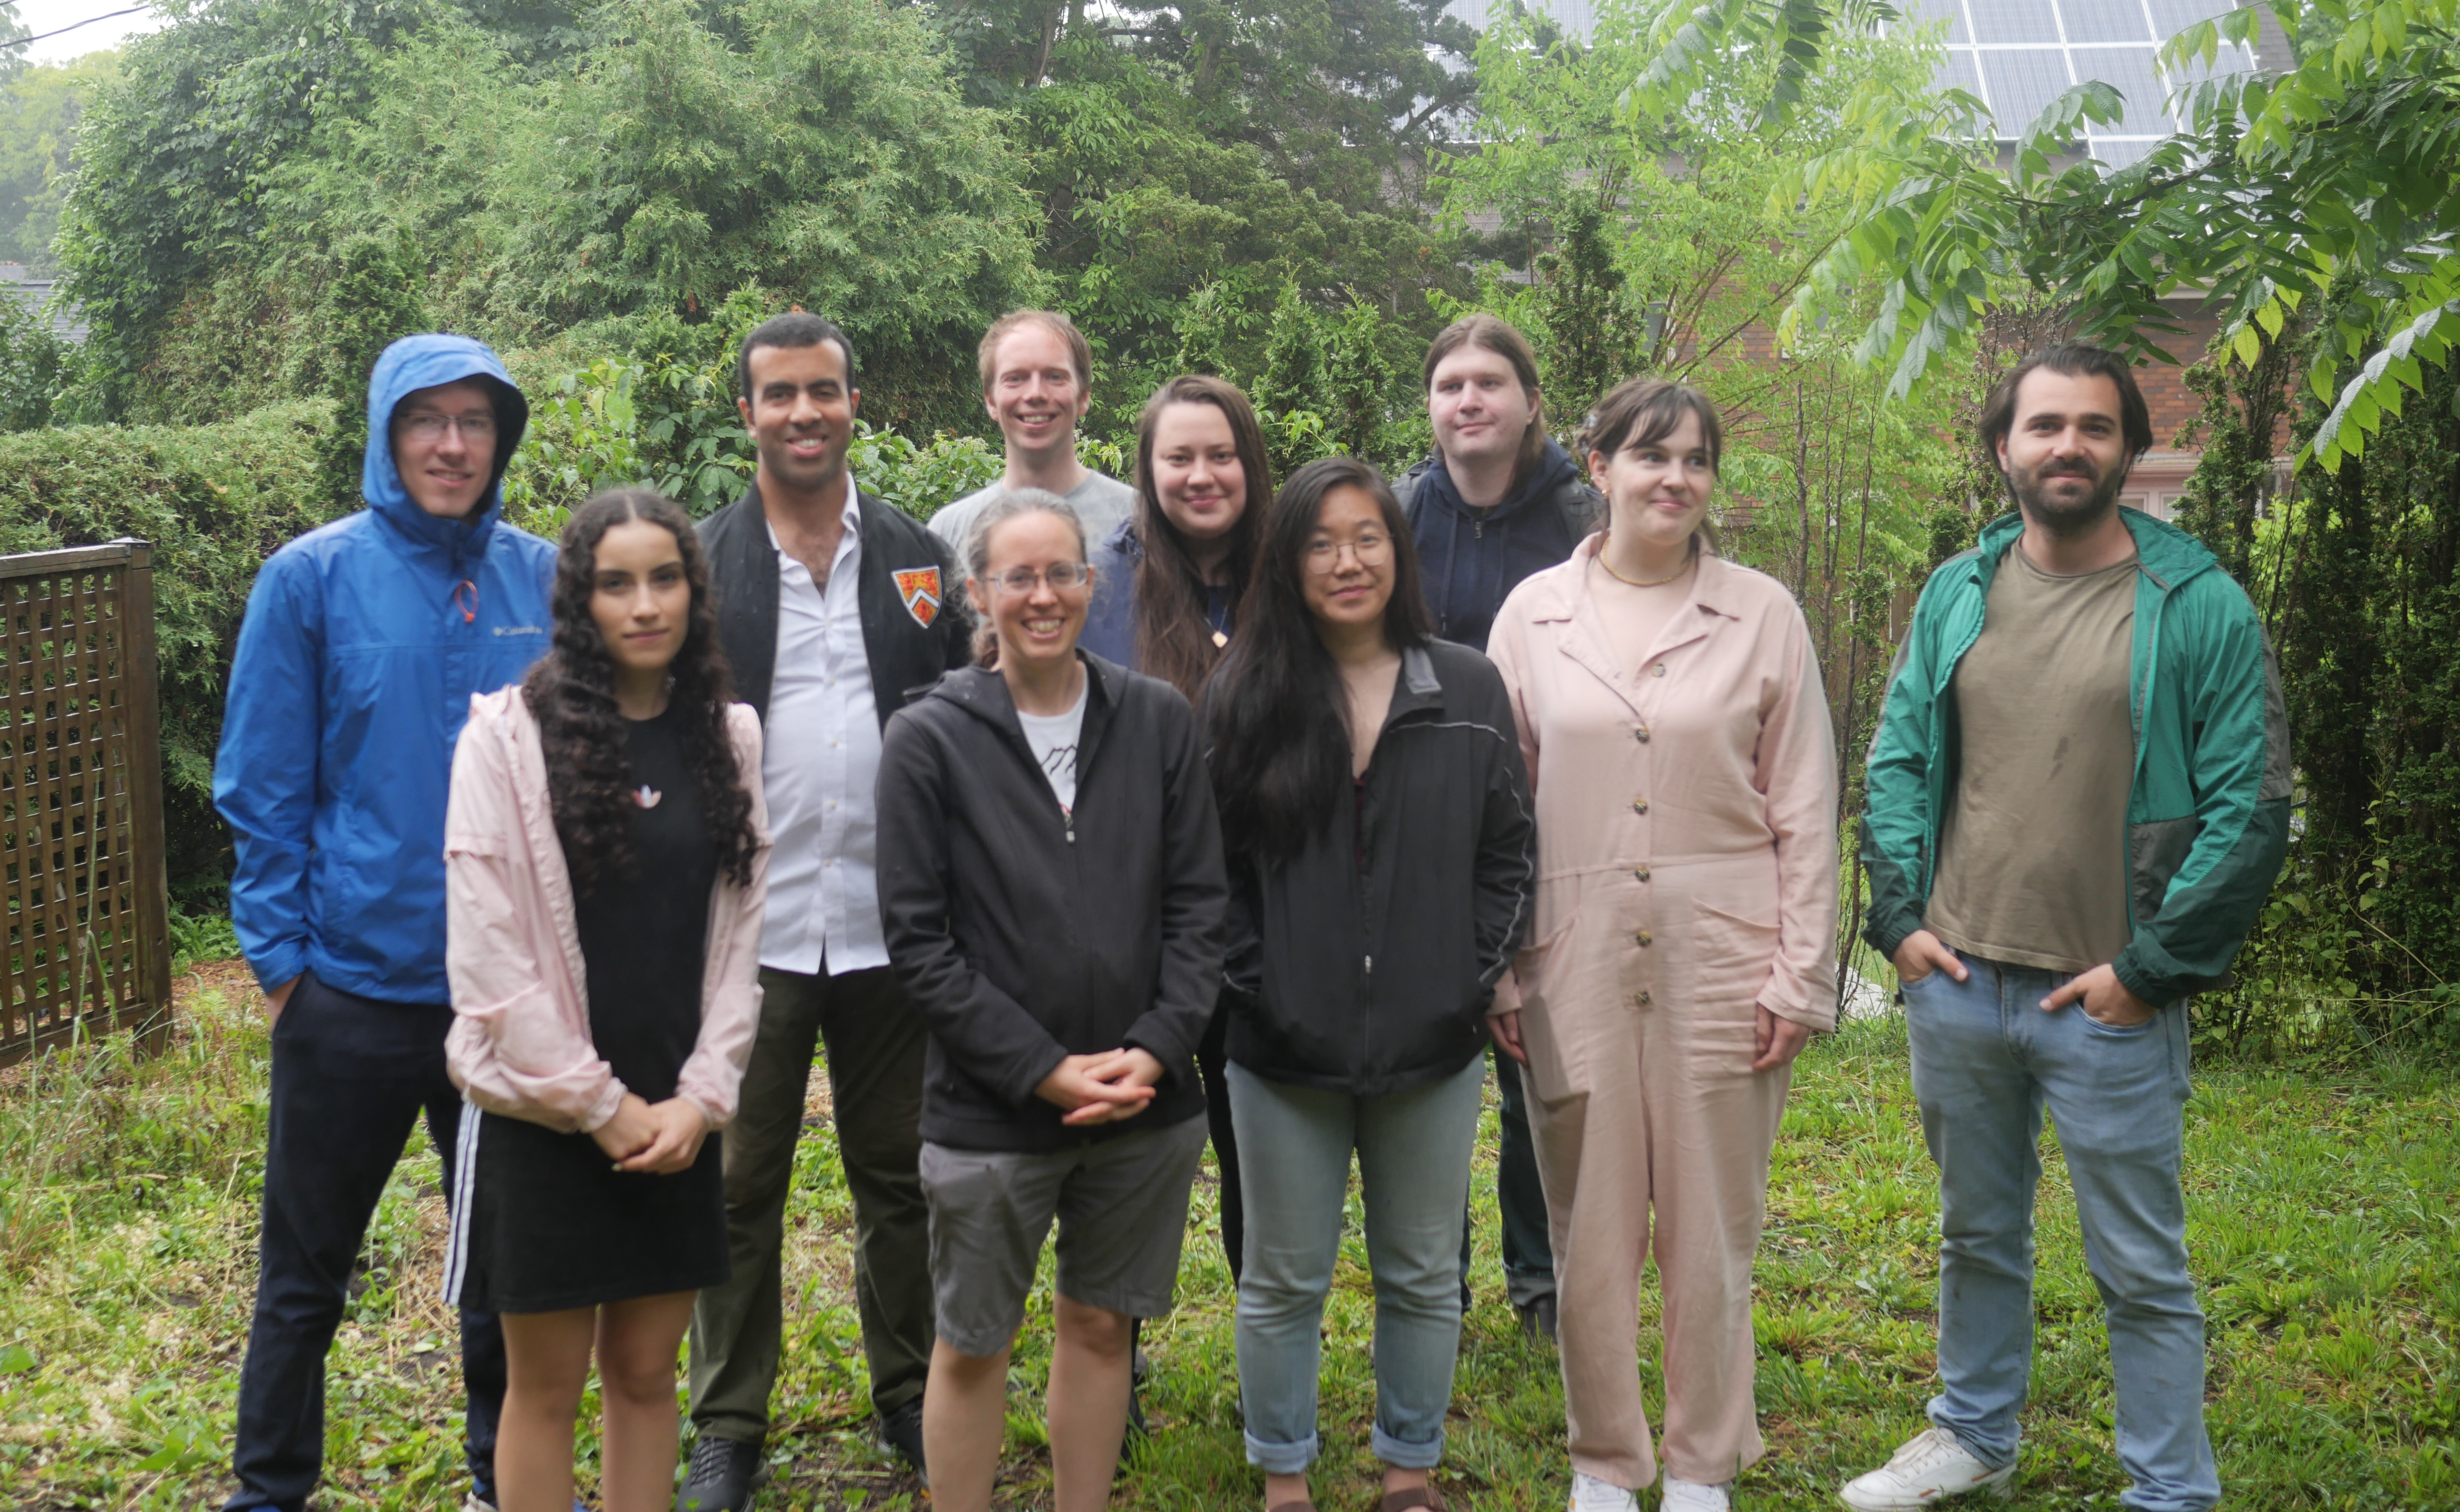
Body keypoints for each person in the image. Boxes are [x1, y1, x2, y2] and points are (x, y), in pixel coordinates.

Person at [1840, 345, 2290, 1512]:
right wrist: (1896, 924)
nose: (2066, 446)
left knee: (2139, 1266)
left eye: (2093, 428)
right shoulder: (1954, 591)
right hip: (1957, 979)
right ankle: (1972, 1432)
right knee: (1974, 1235)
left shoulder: (2196, 605)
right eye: (2043, 426)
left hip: (2107, 997)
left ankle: (2168, 1490)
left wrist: (2149, 969)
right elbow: (1893, 759)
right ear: (2003, 447)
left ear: (2128, 451)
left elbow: (2251, 809)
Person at [1484, 378, 1838, 1512]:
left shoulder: (1763, 612)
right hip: (1568, 950)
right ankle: (1604, 1457)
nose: (1674, 477)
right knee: (1587, 1219)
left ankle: (1699, 1462)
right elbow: (1495, 813)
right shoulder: (1530, 614)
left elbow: (1806, 804)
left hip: (1726, 956)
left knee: (1710, 1224)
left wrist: (1802, 970)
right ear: (1598, 467)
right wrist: (1498, 960)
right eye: (1650, 456)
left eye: (1694, 459)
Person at [213, 334, 554, 1512]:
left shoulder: (543, 580)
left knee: (506, 1274)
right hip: (351, 989)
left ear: (501, 439)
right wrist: (282, 966)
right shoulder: (310, 580)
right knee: (305, 1274)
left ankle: (504, 1479)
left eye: (475, 421)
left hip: (503, 1000)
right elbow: (261, 784)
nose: (452, 444)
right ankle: (270, 1491)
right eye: (427, 420)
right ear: (385, 434)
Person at [877, 490, 1229, 1512]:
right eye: (1018, 577)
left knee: (1098, 1323)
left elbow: (1201, 902)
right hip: (992, 1109)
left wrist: (1158, 1048)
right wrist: (1041, 1066)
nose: (1044, 595)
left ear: (1092, 583)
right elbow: (920, 942)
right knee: (974, 1340)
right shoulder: (930, 738)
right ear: (976, 593)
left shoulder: (1157, 718)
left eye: (1063, 573)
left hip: (1142, 1099)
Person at [677, 313, 974, 1510]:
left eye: (824, 391)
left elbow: (958, 716)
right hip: (746, 928)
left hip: (892, 918)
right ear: (745, 413)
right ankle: (728, 1422)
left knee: (898, 1174)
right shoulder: (700, 562)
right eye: (779, 395)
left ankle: (905, 1389)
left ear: (857, 402)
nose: (804, 413)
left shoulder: (913, 556)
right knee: (737, 1184)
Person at [1202, 456, 1535, 1512]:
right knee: (1283, 1278)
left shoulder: (1469, 685)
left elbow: (1508, 855)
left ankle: (1407, 1468)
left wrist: (1466, 977)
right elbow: (1207, 876)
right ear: (1287, 563)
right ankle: (1285, 1474)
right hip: (1279, 1048)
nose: (1347, 562)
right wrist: (1260, 991)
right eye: (1319, 542)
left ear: (1399, 549)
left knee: (1422, 1270)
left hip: (1431, 1046)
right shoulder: (1244, 693)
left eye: (1368, 537)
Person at [443, 489, 771, 1512]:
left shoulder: (731, 736)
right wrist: (600, 1106)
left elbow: (742, 939)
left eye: (664, 578)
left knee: (644, 1372)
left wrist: (700, 1098)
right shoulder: (504, 740)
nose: (643, 604)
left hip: (674, 1118)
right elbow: (489, 960)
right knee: (544, 1388)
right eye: (614, 582)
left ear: (694, 592)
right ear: (578, 599)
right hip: (545, 1118)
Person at [1396, 313, 1601, 1344]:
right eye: (1449, 386)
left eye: (1489, 383)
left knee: (1537, 1063)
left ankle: (1542, 1278)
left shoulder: (1581, 517)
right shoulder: (1396, 517)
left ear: (1529, 402)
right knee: (1432, 1061)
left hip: (1553, 819)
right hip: (1421, 822)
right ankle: (1438, 1277)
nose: (1468, 400)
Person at [1080, 373, 1273, 1281]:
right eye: (1179, 457)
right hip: (1134, 920)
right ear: (1147, 470)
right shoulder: (1104, 585)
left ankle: (1271, 1360)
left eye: (1220, 455)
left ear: (1250, 463)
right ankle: (1111, 1373)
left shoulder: (1291, 580)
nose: (1202, 475)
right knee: (1123, 1158)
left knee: (1257, 1154)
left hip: (1270, 915)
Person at [928, 310, 1138, 557]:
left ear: (1083, 397)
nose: (1035, 394)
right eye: (1016, 378)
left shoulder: (1140, 521)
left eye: (1055, 377)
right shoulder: (948, 534)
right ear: (991, 401)